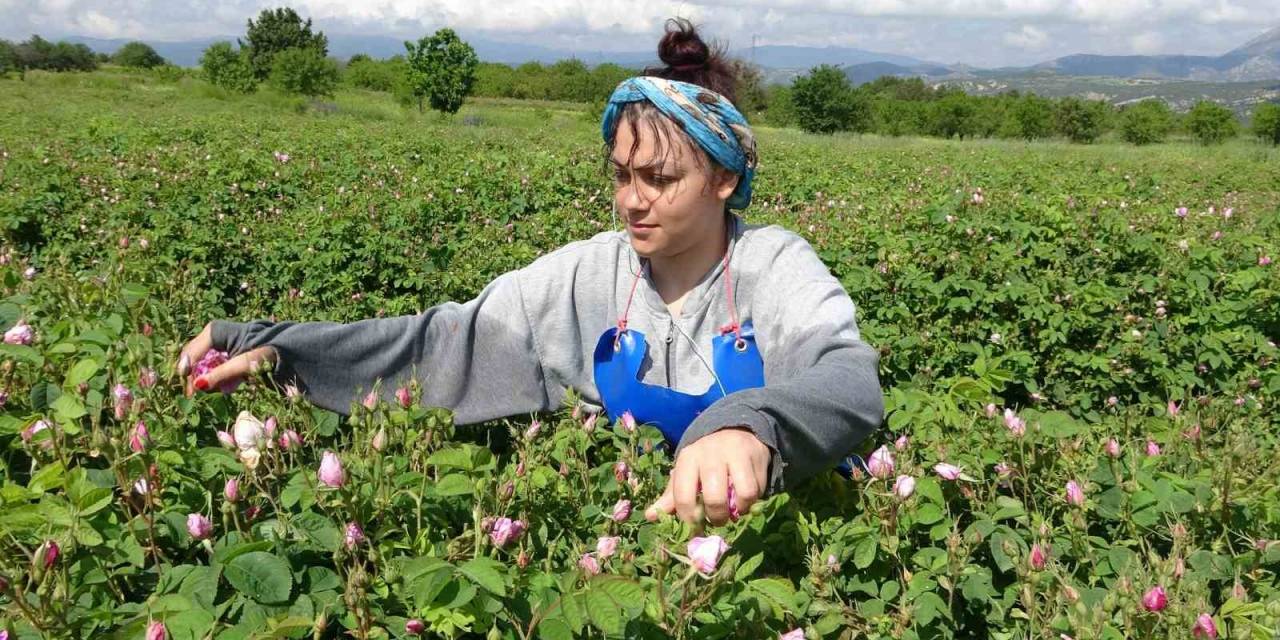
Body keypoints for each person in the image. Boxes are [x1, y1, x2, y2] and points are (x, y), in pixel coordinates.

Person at [177, 18, 883, 526]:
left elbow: (848, 380)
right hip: (637, 543)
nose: (633, 199)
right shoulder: (589, 276)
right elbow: (444, 341)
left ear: (725, 178)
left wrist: (750, 426)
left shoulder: (773, 264)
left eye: (660, 178)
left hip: (781, 539)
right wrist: (280, 349)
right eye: (622, 175)